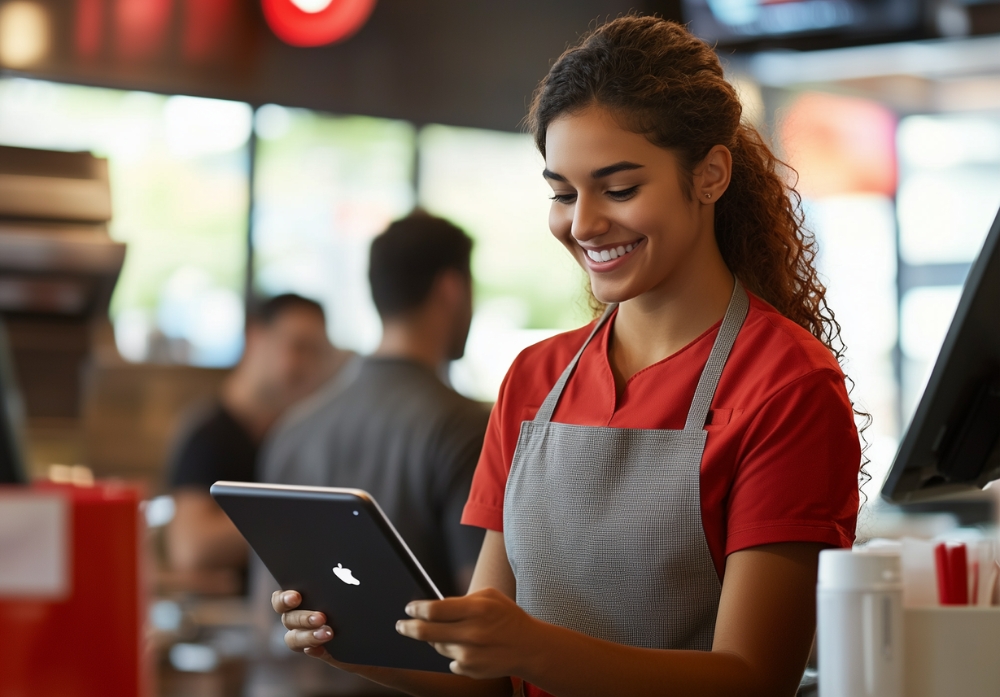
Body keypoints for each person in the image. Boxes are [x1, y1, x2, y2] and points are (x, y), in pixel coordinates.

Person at [274, 16, 862, 697]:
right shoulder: (535, 379)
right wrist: (355, 643)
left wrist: (537, 647)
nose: (582, 224)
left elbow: (752, 678)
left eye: (618, 189)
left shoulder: (788, 385)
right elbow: (487, 677)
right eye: (562, 192)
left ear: (709, 174)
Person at [245, 212, 488, 697]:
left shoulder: (294, 426)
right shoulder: (464, 426)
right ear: (451, 290)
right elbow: (480, 620)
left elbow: (263, 613)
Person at [166, 293, 350, 581]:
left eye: (318, 353)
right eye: (299, 347)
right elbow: (192, 549)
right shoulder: (209, 436)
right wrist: (300, 517)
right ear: (255, 337)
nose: (309, 367)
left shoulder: (295, 436)